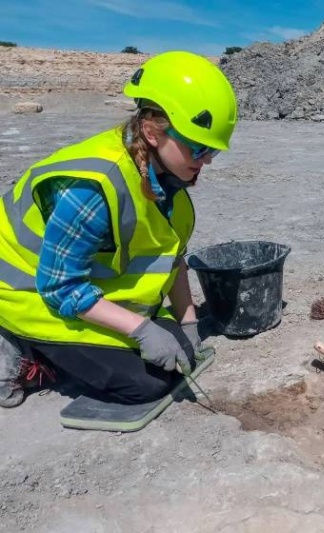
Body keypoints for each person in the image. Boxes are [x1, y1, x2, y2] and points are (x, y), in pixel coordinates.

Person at [0, 51, 238, 408]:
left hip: (80, 289)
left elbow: (171, 258)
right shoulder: (94, 189)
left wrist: (190, 325)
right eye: (198, 148)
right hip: (28, 295)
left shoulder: (167, 179)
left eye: (213, 153)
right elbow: (59, 286)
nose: (205, 161)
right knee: (145, 384)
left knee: (179, 351)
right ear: (152, 132)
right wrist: (140, 329)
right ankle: (20, 347)